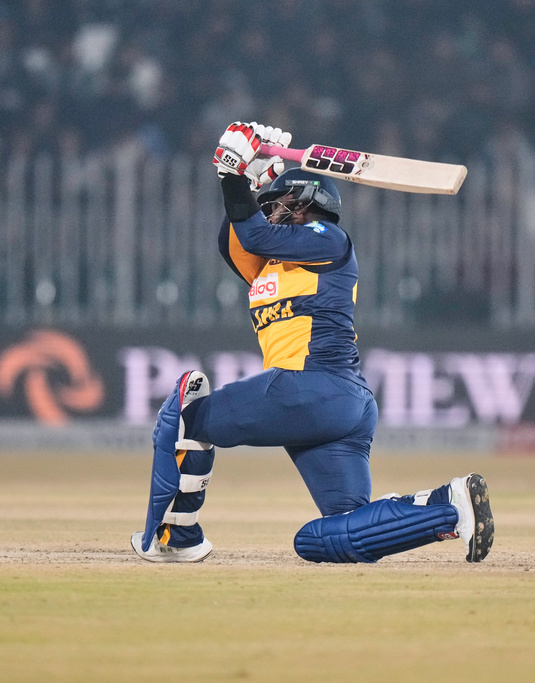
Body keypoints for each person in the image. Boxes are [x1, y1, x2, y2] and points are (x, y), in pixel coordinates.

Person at [130, 121, 494, 564]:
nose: (269, 212)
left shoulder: (330, 240)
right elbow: (234, 240)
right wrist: (252, 177)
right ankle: (449, 507)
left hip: (311, 386)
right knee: (326, 538)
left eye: (277, 203)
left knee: (186, 413)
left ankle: (176, 538)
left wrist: (233, 175)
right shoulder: (268, 266)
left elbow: (253, 232)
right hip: (341, 407)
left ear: (304, 204)